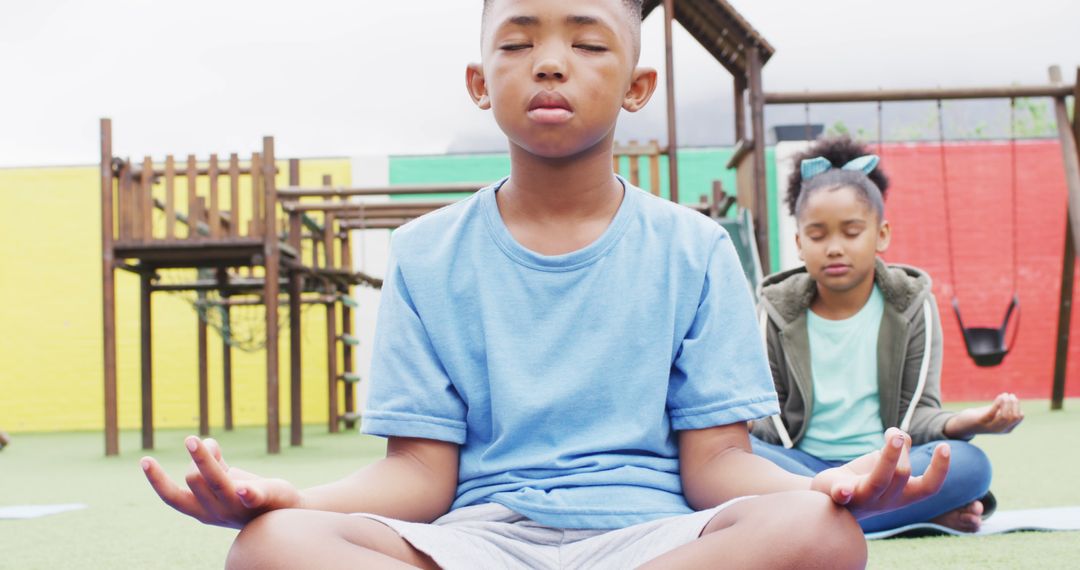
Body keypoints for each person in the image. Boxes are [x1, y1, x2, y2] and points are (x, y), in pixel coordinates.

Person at [141, 3, 950, 568]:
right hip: (478, 540)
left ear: (637, 87)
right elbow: (420, 475)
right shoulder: (425, 256)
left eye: (589, 44)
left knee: (822, 533)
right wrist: (292, 499)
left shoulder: (695, 249)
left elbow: (716, 463)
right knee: (269, 549)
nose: (552, 62)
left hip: (654, 541)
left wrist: (820, 484)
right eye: (518, 41)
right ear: (479, 82)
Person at [750, 136, 1024, 534]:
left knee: (970, 464)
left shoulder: (911, 304)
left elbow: (919, 415)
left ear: (881, 235)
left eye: (851, 231)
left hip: (889, 466)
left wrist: (971, 420)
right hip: (800, 468)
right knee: (724, 461)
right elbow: (766, 420)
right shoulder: (775, 309)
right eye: (818, 235)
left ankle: (823, 518)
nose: (834, 248)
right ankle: (897, 513)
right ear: (798, 243)